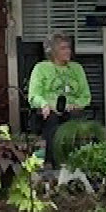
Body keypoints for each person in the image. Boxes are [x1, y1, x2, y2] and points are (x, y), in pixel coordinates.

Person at [26, 32, 93, 160]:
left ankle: (75, 162)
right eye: (63, 48)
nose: (68, 51)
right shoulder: (41, 68)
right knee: (52, 120)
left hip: (71, 110)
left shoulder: (77, 68)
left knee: (74, 119)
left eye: (68, 47)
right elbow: (34, 95)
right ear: (52, 51)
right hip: (48, 111)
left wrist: (77, 104)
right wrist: (44, 104)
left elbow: (85, 95)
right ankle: (54, 163)